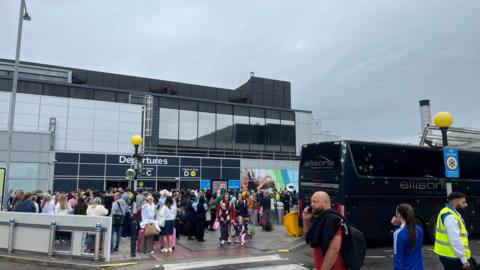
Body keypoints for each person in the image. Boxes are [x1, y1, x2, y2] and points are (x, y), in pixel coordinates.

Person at [303, 191, 347, 270]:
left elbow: (334, 249)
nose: (311, 204)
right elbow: (309, 237)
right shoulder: (322, 219)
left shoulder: (332, 219)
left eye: (315, 202)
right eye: (311, 201)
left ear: (325, 203)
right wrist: (306, 220)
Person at [434, 192, 474, 270]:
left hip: (447, 254)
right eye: (463, 202)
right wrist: (464, 260)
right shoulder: (450, 217)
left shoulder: (447, 211)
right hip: (452, 256)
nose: (466, 205)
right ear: (455, 202)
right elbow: (455, 239)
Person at [391, 204, 424, 270]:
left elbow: (398, 259)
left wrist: (396, 226)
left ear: (399, 215)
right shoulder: (419, 230)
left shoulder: (398, 234)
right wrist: (399, 225)